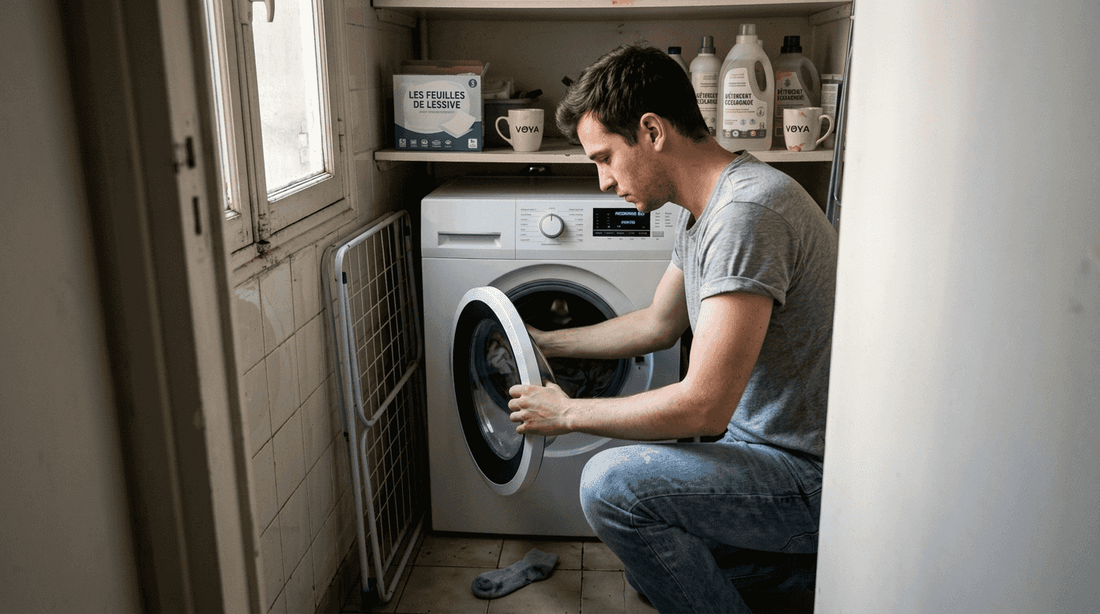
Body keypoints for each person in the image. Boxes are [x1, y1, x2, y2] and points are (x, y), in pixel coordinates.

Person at [506, 43, 838, 613]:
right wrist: (547, 344)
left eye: (605, 157)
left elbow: (704, 407)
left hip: (806, 481)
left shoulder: (747, 215)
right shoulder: (703, 211)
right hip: (762, 455)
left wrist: (566, 413)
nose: (604, 183)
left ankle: (813, 567)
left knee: (611, 487)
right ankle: (800, 581)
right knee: (652, 568)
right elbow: (659, 324)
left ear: (652, 131)